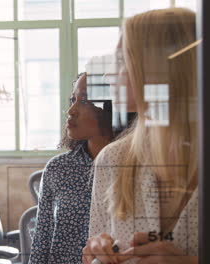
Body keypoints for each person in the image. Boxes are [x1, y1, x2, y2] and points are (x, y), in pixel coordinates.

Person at [83, 8, 197, 264]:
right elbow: (95, 249)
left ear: (164, 68)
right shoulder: (112, 159)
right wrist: (95, 252)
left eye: (122, 60)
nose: (108, 75)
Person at [29, 72, 113, 264]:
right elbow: (42, 239)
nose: (71, 110)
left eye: (84, 101)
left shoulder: (130, 166)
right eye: (73, 99)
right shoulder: (58, 168)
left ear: (108, 106)